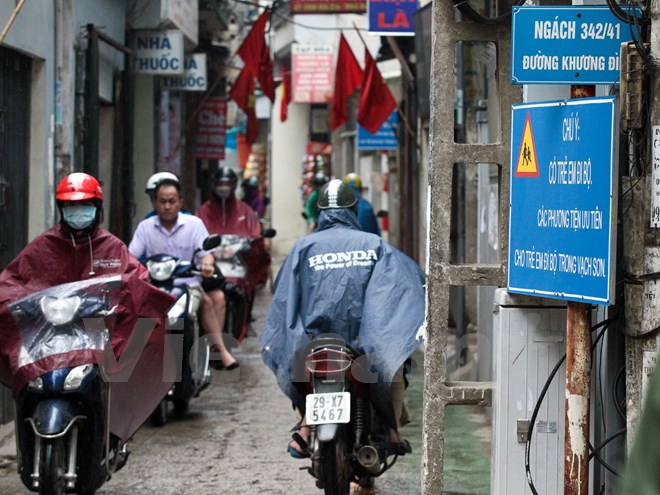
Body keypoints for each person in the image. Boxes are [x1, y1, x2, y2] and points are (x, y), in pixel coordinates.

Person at [0, 172, 175, 439]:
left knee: (115, 376)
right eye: (71, 206)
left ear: (97, 208)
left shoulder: (111, 246)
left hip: (96, 336)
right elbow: (14, 280)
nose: (77, 212)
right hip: (49, 337)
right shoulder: (44, 246)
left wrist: (120, 301)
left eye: (84, 206)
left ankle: (111, 433)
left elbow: (135, 279)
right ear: (61, 209)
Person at [261, 179, 425, 458]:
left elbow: (284, 297)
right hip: (363, 346)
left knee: (294, 363)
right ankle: (392, 431)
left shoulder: (303, 248)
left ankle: (304, 427)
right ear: (353, 208)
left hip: (314, 345)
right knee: (393, 368)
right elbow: (404, 282)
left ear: (320, 211)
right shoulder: (374, 245)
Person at [129, 178, 238, 371]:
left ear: (180, 201)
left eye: (172, 201)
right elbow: (131, 258)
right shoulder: (145, 227)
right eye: (162, 201)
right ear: (155, 202)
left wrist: (206, 264)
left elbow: (207, 255)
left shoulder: (194, 224)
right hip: (155, 287)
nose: (167, 206)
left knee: (205, 301)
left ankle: (220, 350)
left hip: (188, 285)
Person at [196, 166, 271, 298]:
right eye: (220, 184)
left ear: (234, 185)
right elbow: (196, 235)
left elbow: (255, 232)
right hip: (211, 267)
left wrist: (257, 240)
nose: (224, 187)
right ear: (214, 185)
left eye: (227, 184)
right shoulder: (203, 211)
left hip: (238, 266)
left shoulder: (245, 210)